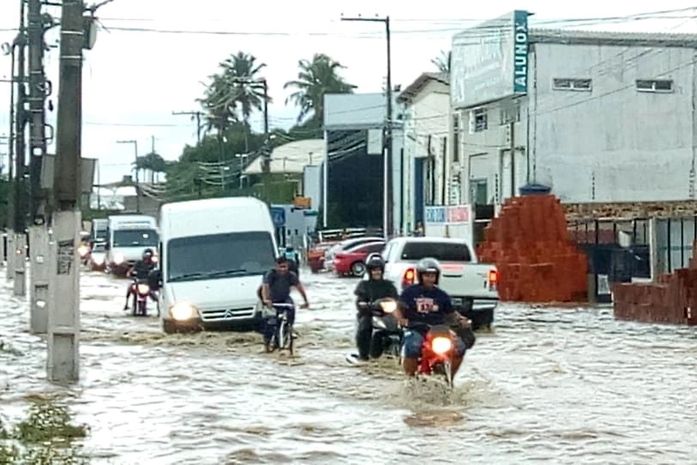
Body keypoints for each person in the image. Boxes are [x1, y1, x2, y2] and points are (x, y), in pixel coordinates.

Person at [394, 257, 470, 377]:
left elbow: (451, 313)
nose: (430, 278)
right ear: (420, 276)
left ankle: (449, 377)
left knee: (460, 348)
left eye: (432, 276)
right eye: (427, 275)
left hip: (438, 330)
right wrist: (400, 319)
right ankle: (410, 378)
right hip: (415, 328)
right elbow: (398, 308)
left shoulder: (442, 295)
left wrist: (461, 320)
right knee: (412, 347)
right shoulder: (409, 292)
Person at [349, 254, 399, 363]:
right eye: (374, 270)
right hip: (369, 313)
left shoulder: (389, 285)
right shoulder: (364, 285)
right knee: (364, 326)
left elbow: (396, 299)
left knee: (401, 327)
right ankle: (363, 354)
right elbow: (359, 301)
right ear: (369, 271)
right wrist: (365, 305)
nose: (377, 272)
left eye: (379, 270)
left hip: (387, 314)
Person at [260, 257, 309, 350]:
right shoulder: (271, 274)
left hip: (285, 299)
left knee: (291, 309)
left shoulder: (291, 275)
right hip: (272, 300)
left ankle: (290, 329)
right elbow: (265, 287)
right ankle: (267, 343)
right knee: (270, 323)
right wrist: (266, 299)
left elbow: (300, 288)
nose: (283, 269)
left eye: (285, 267)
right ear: (276, 266)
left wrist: (306, 301)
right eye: (280, 267)